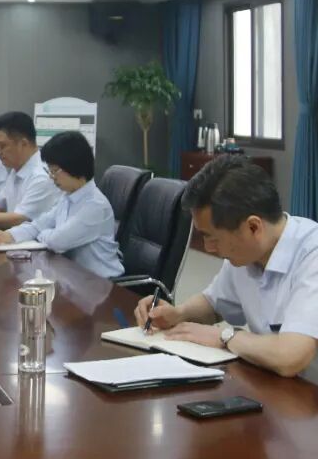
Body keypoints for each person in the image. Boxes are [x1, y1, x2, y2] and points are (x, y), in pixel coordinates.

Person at [135, 155, 318, 378]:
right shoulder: (246, 254)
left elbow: (290, 357)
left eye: (212, 238)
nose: (208, 248)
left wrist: (226, 337)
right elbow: (214, 304)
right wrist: (178, 314)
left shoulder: (312, 256)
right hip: (275, 384)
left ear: (253, 227)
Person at [0, 131, 123, 278]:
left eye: (55, 171)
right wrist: (7, 235)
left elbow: (57, 242)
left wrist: (44, 234)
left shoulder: (95, 206)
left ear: (74, 165)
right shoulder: (67, 197)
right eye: (49, 170)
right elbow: (38, 225)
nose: (51, 177)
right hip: (73, 276)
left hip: (102, 283)